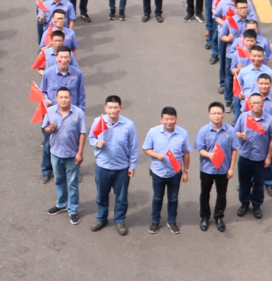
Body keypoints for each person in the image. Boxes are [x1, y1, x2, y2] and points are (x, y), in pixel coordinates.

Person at [88, 95, 138, 236]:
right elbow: (91, 138)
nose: (112, 110)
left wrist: (132, 166)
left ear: (120, 109)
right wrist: (96, 143)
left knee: (121, 198)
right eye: (109, 107)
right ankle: (101, 218)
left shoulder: (128, 125)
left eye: (115, 108)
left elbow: (133, 147)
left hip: (121, 168)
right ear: (105, 108)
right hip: (102, 167)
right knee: (101, 195)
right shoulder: (98, 122)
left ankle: (119, 220)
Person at [39, 48, 86, 184]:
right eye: (61, 57)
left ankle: (74, 170)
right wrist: (46, 100)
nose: (64, 60)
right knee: (48, 144)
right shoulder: (48, 73)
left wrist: (81, 112)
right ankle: (46, 170)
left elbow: (81, 94)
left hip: (72, 115)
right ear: (56, 58)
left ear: (70, 59)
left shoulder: (77, 74)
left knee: (74, 144)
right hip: (53, 116)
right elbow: (42, 93)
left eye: (66, 57)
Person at [142, 106, 191, 235]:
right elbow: (146, 149)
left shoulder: (183, 133)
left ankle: (171, 221)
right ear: (161, 120)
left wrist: (186, 171)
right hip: (158, 172)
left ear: (176, 119)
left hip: (175, 173)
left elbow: (186, 153)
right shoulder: (153, 132)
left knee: (173, 198)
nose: (169, 122)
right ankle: (155, 221)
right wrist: (156, 155)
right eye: (166, 119)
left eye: (172, 119)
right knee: (157, 198)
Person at [43, 88, 87, 225]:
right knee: (59, 180)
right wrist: (49, 129)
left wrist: (80, 153)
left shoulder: (78, 113)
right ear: (56, 98)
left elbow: (82, 133)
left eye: (66, 97)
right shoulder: (50, 111)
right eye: (61, 97)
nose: (63, 100)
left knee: (72, 183)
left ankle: (73, 210)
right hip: (55, 153)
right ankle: (61, 204)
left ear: (70, 98)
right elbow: (45, 128)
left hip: (72, 155)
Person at [194, 101, 240, 232]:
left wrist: (231, 168)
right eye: (213, 113)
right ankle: (204, 217)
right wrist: (209, 155)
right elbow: (200, 149)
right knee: (205, 194)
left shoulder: (230, 130)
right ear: (209, 115)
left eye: (219, 113)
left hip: (223, 169)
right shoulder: (203, 131)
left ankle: (219, 217)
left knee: (221, 194)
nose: (216, 116)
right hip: (207, 169)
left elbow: (234, 150)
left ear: (223, 115)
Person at [234, 93, 272, 220]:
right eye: (253, 103)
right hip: (245, 156)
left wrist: (269, 157)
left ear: (262, 104)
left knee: (259, 184)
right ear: (249, 104)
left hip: (260, 158)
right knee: (244, 182)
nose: (256, 105)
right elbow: (235, 131)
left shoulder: (269, 120)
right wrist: (239, 135)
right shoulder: (243, 117)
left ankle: (256, 204)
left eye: (258, 103)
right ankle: (244, 203)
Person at [246, 74, 272, 197]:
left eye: (266, 83)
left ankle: (269, 183)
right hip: (252, 136)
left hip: (268, 137)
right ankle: (250, 181)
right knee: (250, 160)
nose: (263, 86)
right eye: (261, 83)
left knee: (269, 160)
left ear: (271, 84)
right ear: (257, 84)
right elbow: (245, 115)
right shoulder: (251, 98)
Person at [219, 0, 250, 108]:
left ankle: (242, 102)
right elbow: (222, 36)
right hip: (232, 55)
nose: (243, 10)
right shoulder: (230, 21)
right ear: (235, 9)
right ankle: (228, 100)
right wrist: (228, 38)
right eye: (240, 8)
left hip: (246, 56)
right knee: (230, 79)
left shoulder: (250, 23)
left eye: (245, 8)